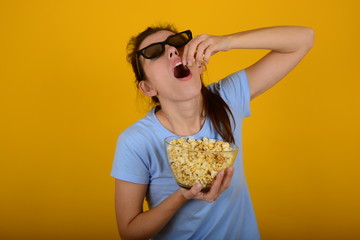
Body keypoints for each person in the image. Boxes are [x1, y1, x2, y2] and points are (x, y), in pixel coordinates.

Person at [111, 24, 314, 240]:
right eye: (154, 53)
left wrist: (227, 42)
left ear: (198, 64)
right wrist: (183, 195)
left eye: (178, 44)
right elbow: (129, 232)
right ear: (148, 88)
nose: (172, 50)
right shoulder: (136, 141)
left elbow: (304, 38)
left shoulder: (227, 99)